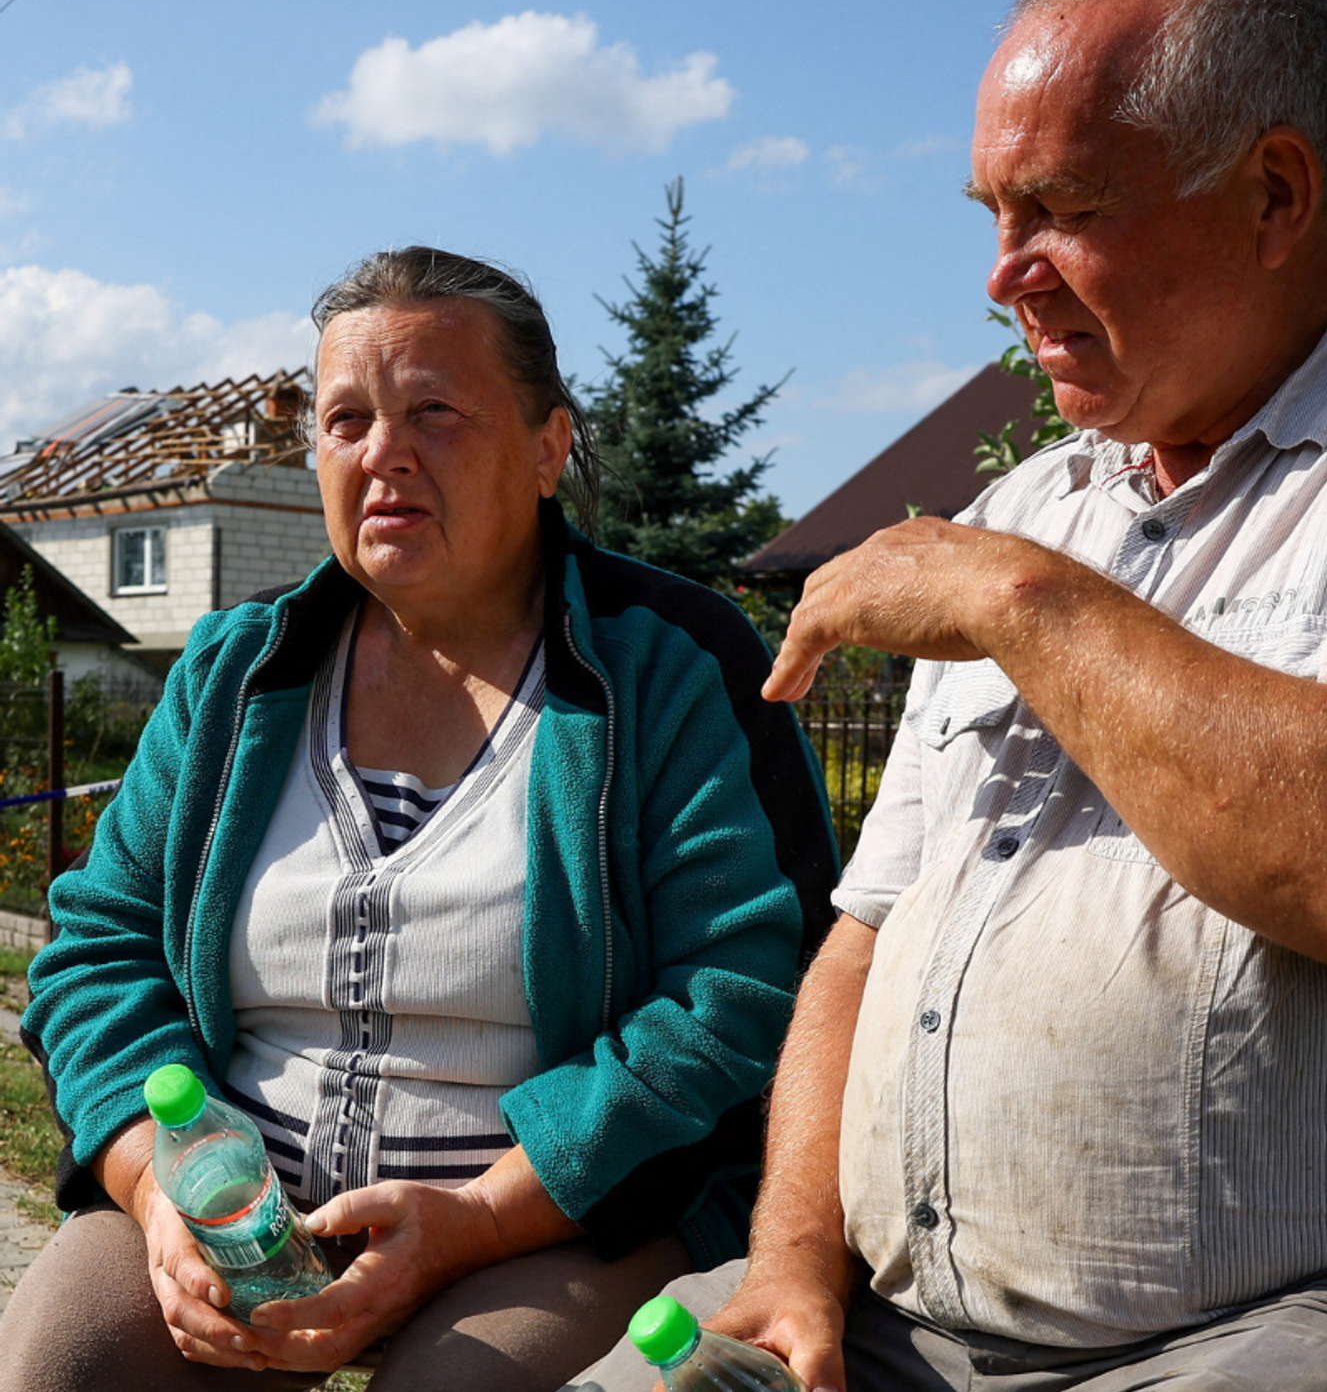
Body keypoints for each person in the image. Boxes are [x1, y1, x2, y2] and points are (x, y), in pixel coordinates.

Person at [569, 0, 1327, 1392]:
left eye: (1060, 207)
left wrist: (1018, 601)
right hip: (898, 1322)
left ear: (1272, 194)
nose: (1006, 278)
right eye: (993, 213)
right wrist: (795, 1252)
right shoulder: (1034, 504)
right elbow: (865, 941)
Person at [1, 249, 838, 1392]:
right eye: (346, 421)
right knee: (65, 1356)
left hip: (543, 1223)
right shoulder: (237, 670)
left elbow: (734, 997)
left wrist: (479, 1219)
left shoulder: (670, 665)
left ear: (548, 448)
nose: (381, 454)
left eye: (432, 412)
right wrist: (160, 1189)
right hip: (238, 1211)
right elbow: (99, 948)